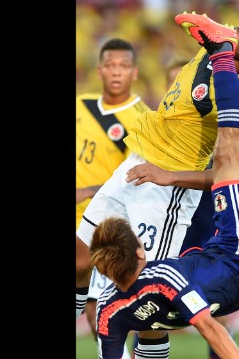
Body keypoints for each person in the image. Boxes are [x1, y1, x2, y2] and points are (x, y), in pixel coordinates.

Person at [76, 11, 239, 358]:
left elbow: (235, 172)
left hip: (166, 190)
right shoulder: (217, 42)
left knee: (146, 304)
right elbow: (186, 19)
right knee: (78, 258)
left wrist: (170, 176)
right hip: (135, 161)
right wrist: (197, 25)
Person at [76, 37, 152, 358]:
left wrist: (89, 191)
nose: (116, 72)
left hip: (105, 228)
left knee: (99, 313)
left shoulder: (141, 119)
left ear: (134, 72)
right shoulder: (80, 104)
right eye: (110, 65)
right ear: (100, 70)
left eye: (123, 66)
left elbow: (137, 178)